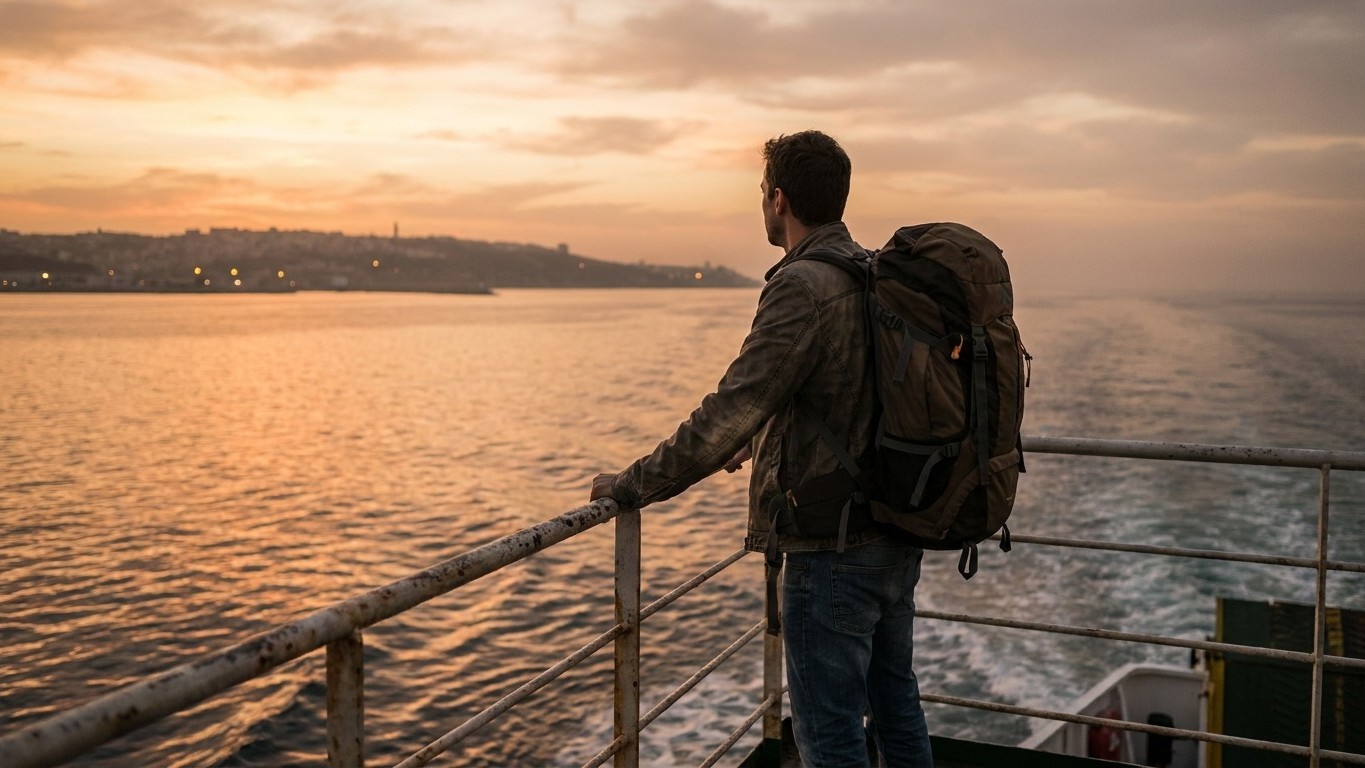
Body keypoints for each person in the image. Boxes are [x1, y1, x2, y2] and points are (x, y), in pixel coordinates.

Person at [590, 130, 932, 767]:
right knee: (896, 709)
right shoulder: (869, 272)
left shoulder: (803, 286)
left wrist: (633, 484)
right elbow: (841, 393)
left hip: (831, 549)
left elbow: (731, 408)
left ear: (779, 200)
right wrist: (763, 435)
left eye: (760, 193)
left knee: (829, 738)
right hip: (893, 531)